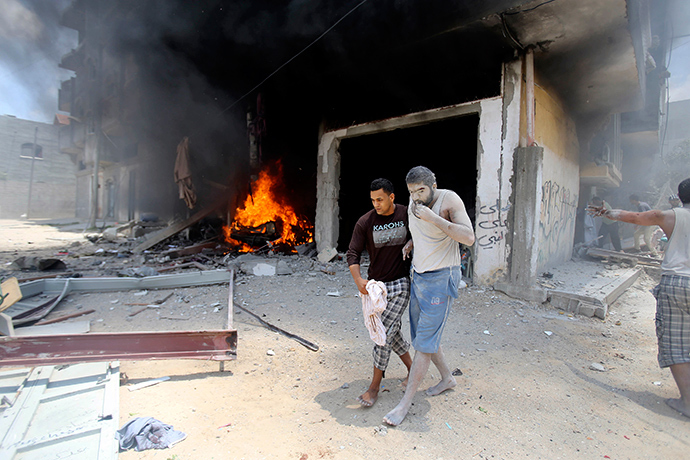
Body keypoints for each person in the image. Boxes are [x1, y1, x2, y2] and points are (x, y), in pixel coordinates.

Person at [589, 178, 690, 418]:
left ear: (680, 195)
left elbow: (634, 217)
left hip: (676, 283)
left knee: (676, 343)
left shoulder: (671, 216)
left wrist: (607, 212)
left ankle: (687, 402)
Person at [383, 166, 475, 426]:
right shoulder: (414, 203)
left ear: (433, 184)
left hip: (441, 278)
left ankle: (404, 405)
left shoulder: (449, 199)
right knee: (424, 336)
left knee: (423, 342)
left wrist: (434, 218)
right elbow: (422, 232)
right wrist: (413, 242)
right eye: (412, 192)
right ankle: (447, 378)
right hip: (419, 276)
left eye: (421, 190)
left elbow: (468, 237)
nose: (416, 197)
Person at [346, 178, 413, 407]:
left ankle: (374, 388)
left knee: (381, 334)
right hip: (377, 289)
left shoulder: (406, 213)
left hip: (401, 284)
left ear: (392, 197)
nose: (376, 204)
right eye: (373, 200)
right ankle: (414, 371)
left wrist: (412, 242)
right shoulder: (365, 222)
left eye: (380, 199)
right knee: (390, 332)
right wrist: (358, 280)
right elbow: (352, 253)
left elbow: (425, 233)